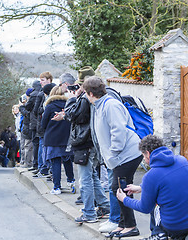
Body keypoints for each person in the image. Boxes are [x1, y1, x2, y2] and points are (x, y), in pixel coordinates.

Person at [83, 76, 143, 238]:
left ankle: (130, 226)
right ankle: (123, 224)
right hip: (121, 155)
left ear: (90, 93)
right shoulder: (101, 105)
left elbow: (118, 130)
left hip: (127, 154)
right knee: (120, 188)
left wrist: (113, 152)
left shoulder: (110, 105)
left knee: (120, 188)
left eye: (85, 94)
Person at [59, 73, 110, 223]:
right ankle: (105, 206)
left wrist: (72, 99)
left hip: (84, 142)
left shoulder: (83, 99)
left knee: (85, 179)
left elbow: (74, 116)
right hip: (90, 141)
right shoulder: (90, 99)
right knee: (92, 175)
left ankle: (89, 213)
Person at [117, 135, 188, 240]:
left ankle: (158, 235)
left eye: (144, 156)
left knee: (154, 206)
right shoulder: (182, 160)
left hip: (174, 227)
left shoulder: (151, 176)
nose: (145, 160)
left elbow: (144, 207)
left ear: (148, 154)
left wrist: (124, 199)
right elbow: (169, 183)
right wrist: (141, 188)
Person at [41, 85, 75, 194]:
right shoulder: (68, 105)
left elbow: (43, 124)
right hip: (66, 137)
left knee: (55, 161)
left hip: (53, 138)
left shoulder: (50, 106)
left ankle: (57, 187)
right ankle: (71, 181)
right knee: (67, 159)